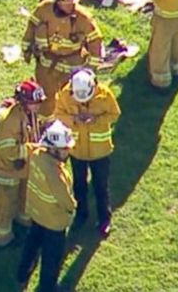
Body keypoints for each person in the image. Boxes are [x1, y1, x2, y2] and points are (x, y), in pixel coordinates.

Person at [53, 68, 120, 237]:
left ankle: (104, 219)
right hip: (77, 150)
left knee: (100, 186)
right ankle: (81, 215)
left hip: (100, 151)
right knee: (79, 185)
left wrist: (96, 120)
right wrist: (74, 120)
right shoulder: (65, 94)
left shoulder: (104, 94)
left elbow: (114, 114)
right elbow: (58, 114)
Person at [21, 0, 102, 118]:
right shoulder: (44, 9)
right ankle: (44, 120)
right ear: (57, 1)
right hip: (47, 61)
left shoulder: (83, 18)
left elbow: (95, 40)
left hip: (73, 63)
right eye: (67, 3)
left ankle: (68, 122)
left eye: (73, 2)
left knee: (71, 98)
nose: (71, 6)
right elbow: (31, 27)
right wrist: (27, 48)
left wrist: (90, 69)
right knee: (45, 96)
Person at [16, 120, 77, 292]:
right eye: (65, 148)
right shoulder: (55, 173)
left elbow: (30, 147)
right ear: (54, 149)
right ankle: (48, 287)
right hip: (54, 222)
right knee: (52, 257)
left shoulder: (36, 155)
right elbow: (66, 201)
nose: (68, 150)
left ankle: (22, 275)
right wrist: (72, 208)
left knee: (32, 244)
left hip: (37, 213)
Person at [0, 79, 45, 246]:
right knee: (5, 201)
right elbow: (8, 151)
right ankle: (0, 235)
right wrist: (33, 149)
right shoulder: (10, 121)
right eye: (35, 102)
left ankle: (23, 218)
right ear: (24, 102)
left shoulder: (29, 112)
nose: (38, 105)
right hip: (6, 168)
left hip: (22, 165)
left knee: (25, 193)